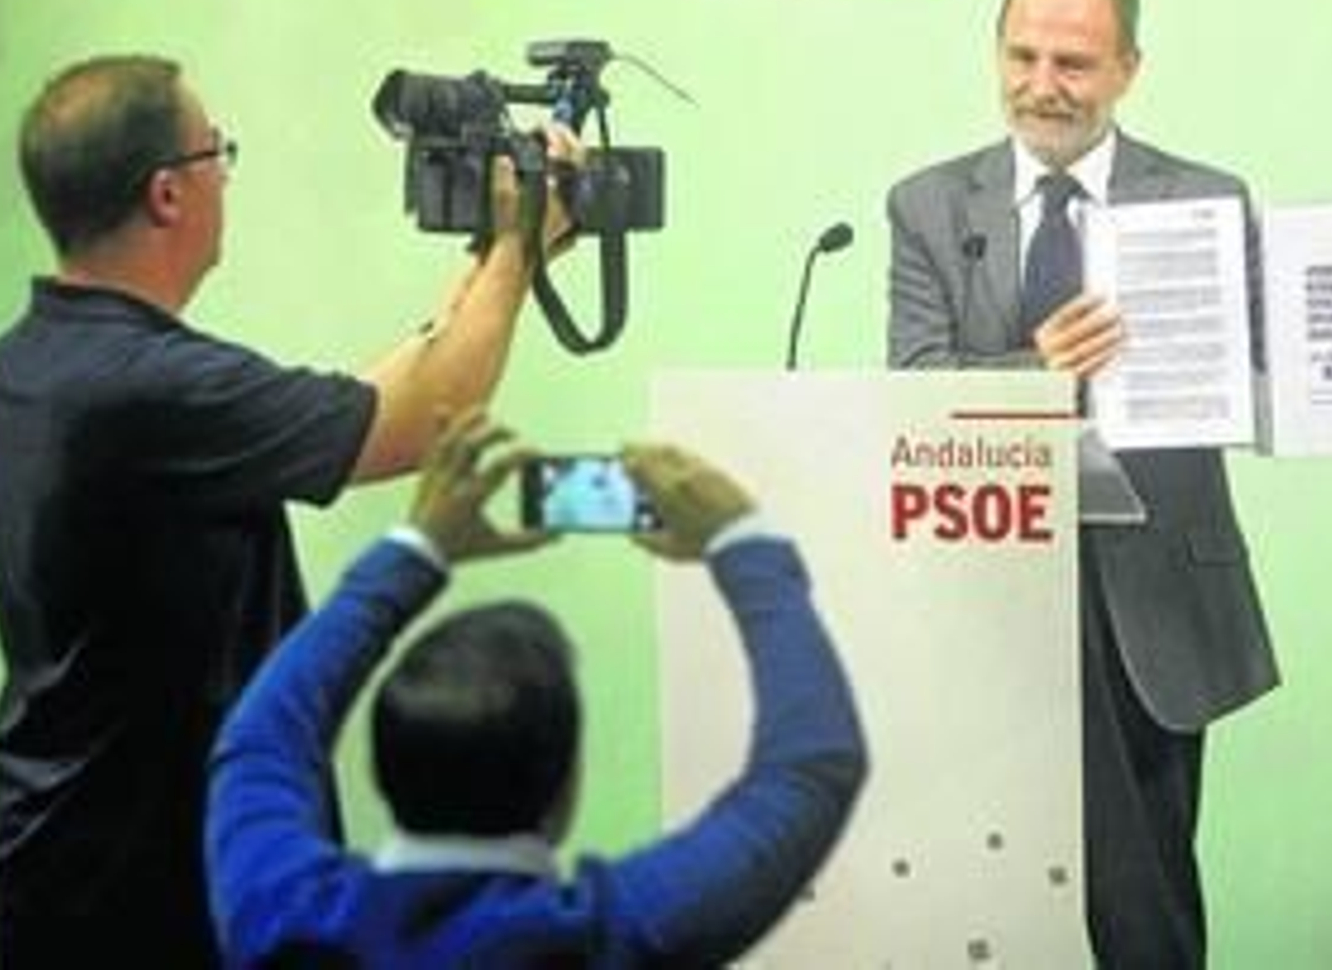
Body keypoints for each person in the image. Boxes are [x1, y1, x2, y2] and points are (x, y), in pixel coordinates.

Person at [886, 0, 1332, 968]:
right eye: (1022, 56)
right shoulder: (926, 204)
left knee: (1140, 892)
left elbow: (1290, 378)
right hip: (984, 588)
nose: (1041, 85)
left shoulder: (1206, 199)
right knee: (975, 891)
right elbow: (914, 384)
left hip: (1149, 608)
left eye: (1073, 63)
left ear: (1127, 71)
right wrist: (1037, 371)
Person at [0, 54, 575, 968]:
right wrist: (520, 251)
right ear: (169, 194)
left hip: (62, 858)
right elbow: (414, 425)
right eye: (220, 152)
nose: (227, 175)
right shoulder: (149, 387)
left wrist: (494, 265)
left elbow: (367, 403)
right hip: (155, 887)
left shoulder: (33, 362)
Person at [204, 409, 868, 967]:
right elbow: (810, 769)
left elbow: (264, 739)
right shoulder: (618, 934)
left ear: (379, 768)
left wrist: (415, 552)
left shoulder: (281, 909)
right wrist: (742, 542)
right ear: (567, 786)